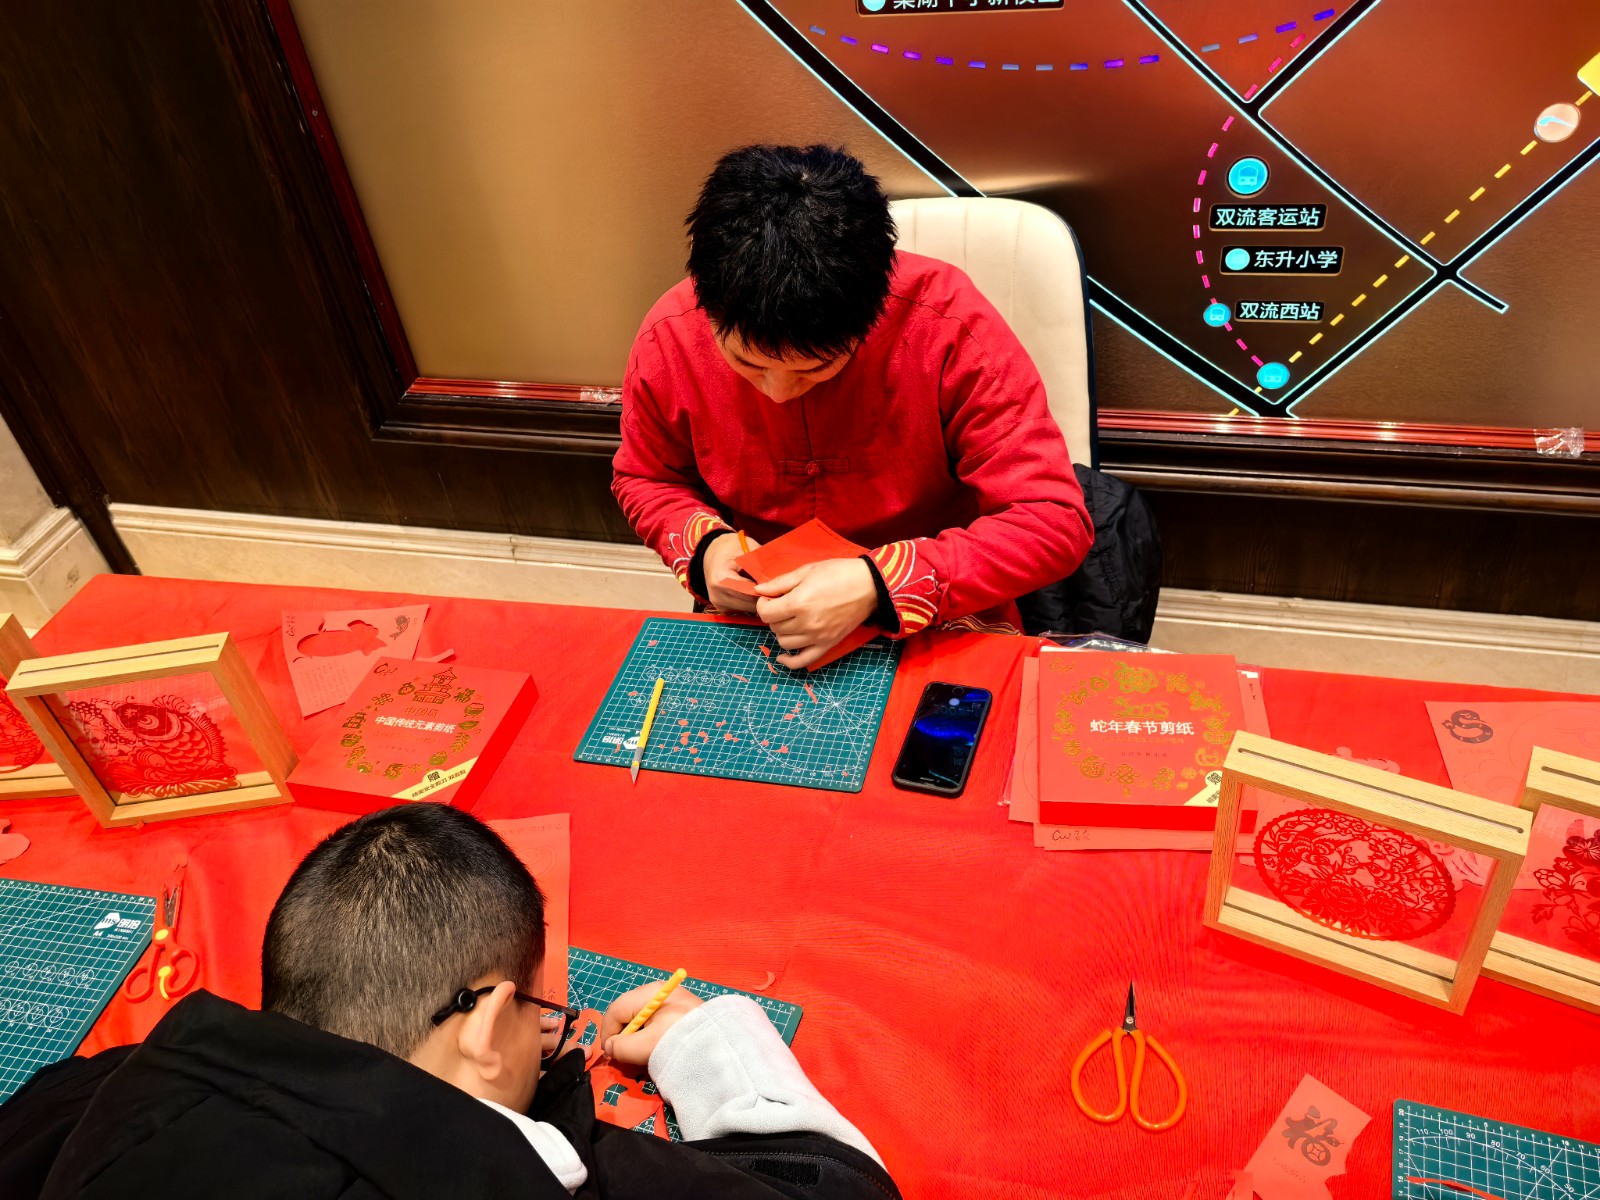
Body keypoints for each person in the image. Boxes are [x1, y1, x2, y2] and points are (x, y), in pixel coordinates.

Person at [0, 804, 897, 1199]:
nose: (551, 1033)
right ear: (485, 1024)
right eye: (540, 1013)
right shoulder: (512, 1176)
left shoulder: (79, 1096)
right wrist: (700, 1039)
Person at [613, 143, 1092, 669]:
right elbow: (645, 478)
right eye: (746, 363)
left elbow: (1052, 521)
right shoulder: (671, 336)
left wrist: (876, 584)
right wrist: (708, 551)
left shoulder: (950, 325)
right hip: (759, 614)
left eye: (815, 368)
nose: (777, 392)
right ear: (706, 302)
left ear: (873, 313)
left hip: (935, 609)